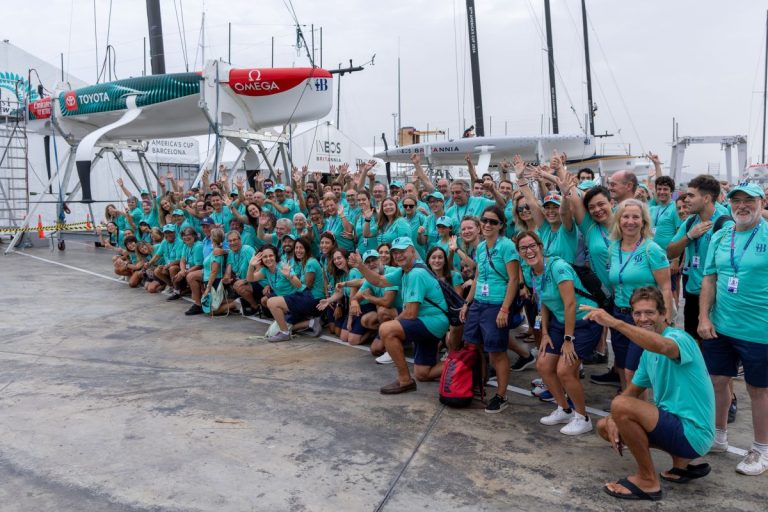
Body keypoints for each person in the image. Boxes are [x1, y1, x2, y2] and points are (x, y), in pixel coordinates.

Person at [585, 287, 714, 502]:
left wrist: (615, 323)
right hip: (679, 429)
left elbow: (664, 346)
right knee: (604, 425)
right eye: (637, 313)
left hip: (694, 433)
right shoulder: (647, 353)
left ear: (664, 314)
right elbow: (632, 392)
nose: (643, 318)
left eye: (650, 313)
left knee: (620, 406)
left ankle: (647, 481)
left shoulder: (679, 338)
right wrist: (614, 419)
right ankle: (680, 463)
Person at [699, 183, 768, 476]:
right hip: (721, 326)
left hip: (759, 330)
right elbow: (710, 279)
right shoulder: (721, 235)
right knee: (717, 380)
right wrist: (703, 317)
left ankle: (761, 450)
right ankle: (719, 436)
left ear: (761, 202)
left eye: (749, 201)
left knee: (758, 389)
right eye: (736, 200)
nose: (742, 206)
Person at [516, 231, 602, 435]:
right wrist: (544, 332)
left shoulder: (558, 267)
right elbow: (543, 302)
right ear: (519, 253)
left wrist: (568, 339)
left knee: (565, 370)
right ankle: (564, 409)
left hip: (584, 320)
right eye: (523, 248)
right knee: (543, 365)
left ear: (540, 246)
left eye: (532, 246)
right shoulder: (530, 271)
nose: (529, 251)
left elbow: (570, 303)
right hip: (559, 322)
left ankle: (583, 417)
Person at [349, 237, 448, 394]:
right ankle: (465, 365)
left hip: (432, 322)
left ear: (412, 251)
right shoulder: (405, 271)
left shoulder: (416, 273)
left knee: (386, 329)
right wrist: (361, 266)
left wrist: (393, 325)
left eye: (402, 251)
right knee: (423, 373)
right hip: (429, 322)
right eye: (395, 252)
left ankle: (405, 380)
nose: (398, 255)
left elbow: (411, 313)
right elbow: (380, 281)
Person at [459, 205, 521, 413]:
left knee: (497, 352)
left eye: (492, 221)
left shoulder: (506, 246)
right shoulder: (480, 247)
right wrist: (467, 303)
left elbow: (513, 279)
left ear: (501, 225)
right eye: (485, 220)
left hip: (496, 304)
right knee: (473, 345)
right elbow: (477, 278)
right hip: (479, 303)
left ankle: (501, 395)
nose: (487, 224)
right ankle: (480, 384)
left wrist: (505, 309)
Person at [607, 199, 673, 388]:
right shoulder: (613, 248)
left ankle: (638, 408)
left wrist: (665, 318)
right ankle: (626, 405)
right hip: (619, 314)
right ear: (619, 221)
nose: (630, 221)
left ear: (643, 222)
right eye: (625, 217)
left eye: (636, 217)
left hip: (643, 318)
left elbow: (666, 287)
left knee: (633, 371)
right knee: (621, 365)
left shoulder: (651, 249)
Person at [667, 175, 731, 341]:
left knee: (713, 348)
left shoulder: (725, 222)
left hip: (717, 296)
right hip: (693, 293)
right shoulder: (690, 222)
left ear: (707, 198)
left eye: (691, 195)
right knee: (694, 344)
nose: (686, 199)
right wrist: (689, 236)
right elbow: (670, 252)